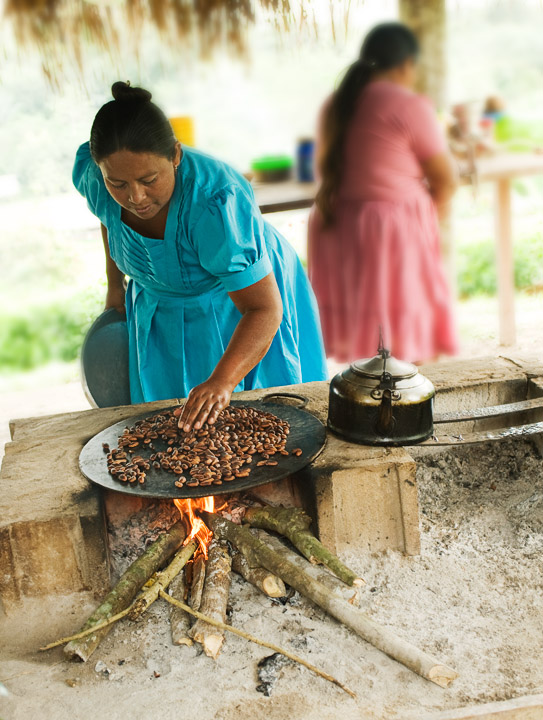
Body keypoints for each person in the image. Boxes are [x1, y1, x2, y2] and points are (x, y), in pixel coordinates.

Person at [74, 82, 327, 430]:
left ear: (176, 155)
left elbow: (264, 309)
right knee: (170, 423)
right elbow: (108, 218)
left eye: (149, 179)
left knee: (250, 420)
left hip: (239, 298)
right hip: (158, 303)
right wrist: (114, 286)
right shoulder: (97, 177)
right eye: (118, 184)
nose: (135, 197)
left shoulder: (215, 201)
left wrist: (222, 383)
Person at [308, 22, 458, 364]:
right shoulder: (407, 104)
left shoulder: (337, 102)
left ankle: (370, 411)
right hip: (390, 231)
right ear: (406, 65)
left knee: (368, 351)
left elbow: (326, 166)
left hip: (339, 222)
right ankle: (407, 412)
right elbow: (445, 178)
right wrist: (431, 223)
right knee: (405, 345)